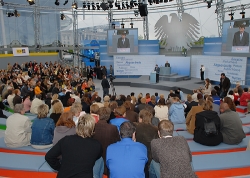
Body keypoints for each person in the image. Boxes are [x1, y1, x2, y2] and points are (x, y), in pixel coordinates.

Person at [93, 107, 120, 176]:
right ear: (108, 116)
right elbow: (117, 142)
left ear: (98, 116)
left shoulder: (93, 127)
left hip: (95, 159)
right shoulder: (113, 128)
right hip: (108, 157)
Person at [134, 109, 158, 178]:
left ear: (140, 118)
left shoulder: (134, 127)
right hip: (150, 158)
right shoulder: (155, 130)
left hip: (137, 156)